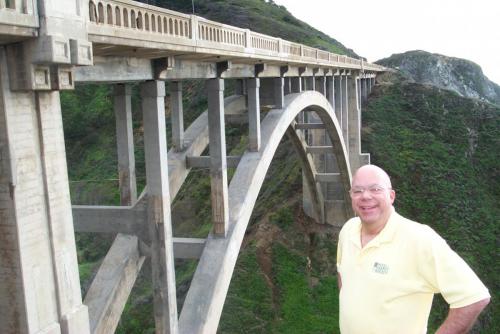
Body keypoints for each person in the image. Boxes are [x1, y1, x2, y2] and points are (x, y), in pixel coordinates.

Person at [336, 164, 490, 334]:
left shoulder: (420, 239)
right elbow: (343, 274)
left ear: (391, 196)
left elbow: (474, 297)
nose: (365, 196)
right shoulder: (348, 230)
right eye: (357, 191)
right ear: (351, 196)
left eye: (375, 189)